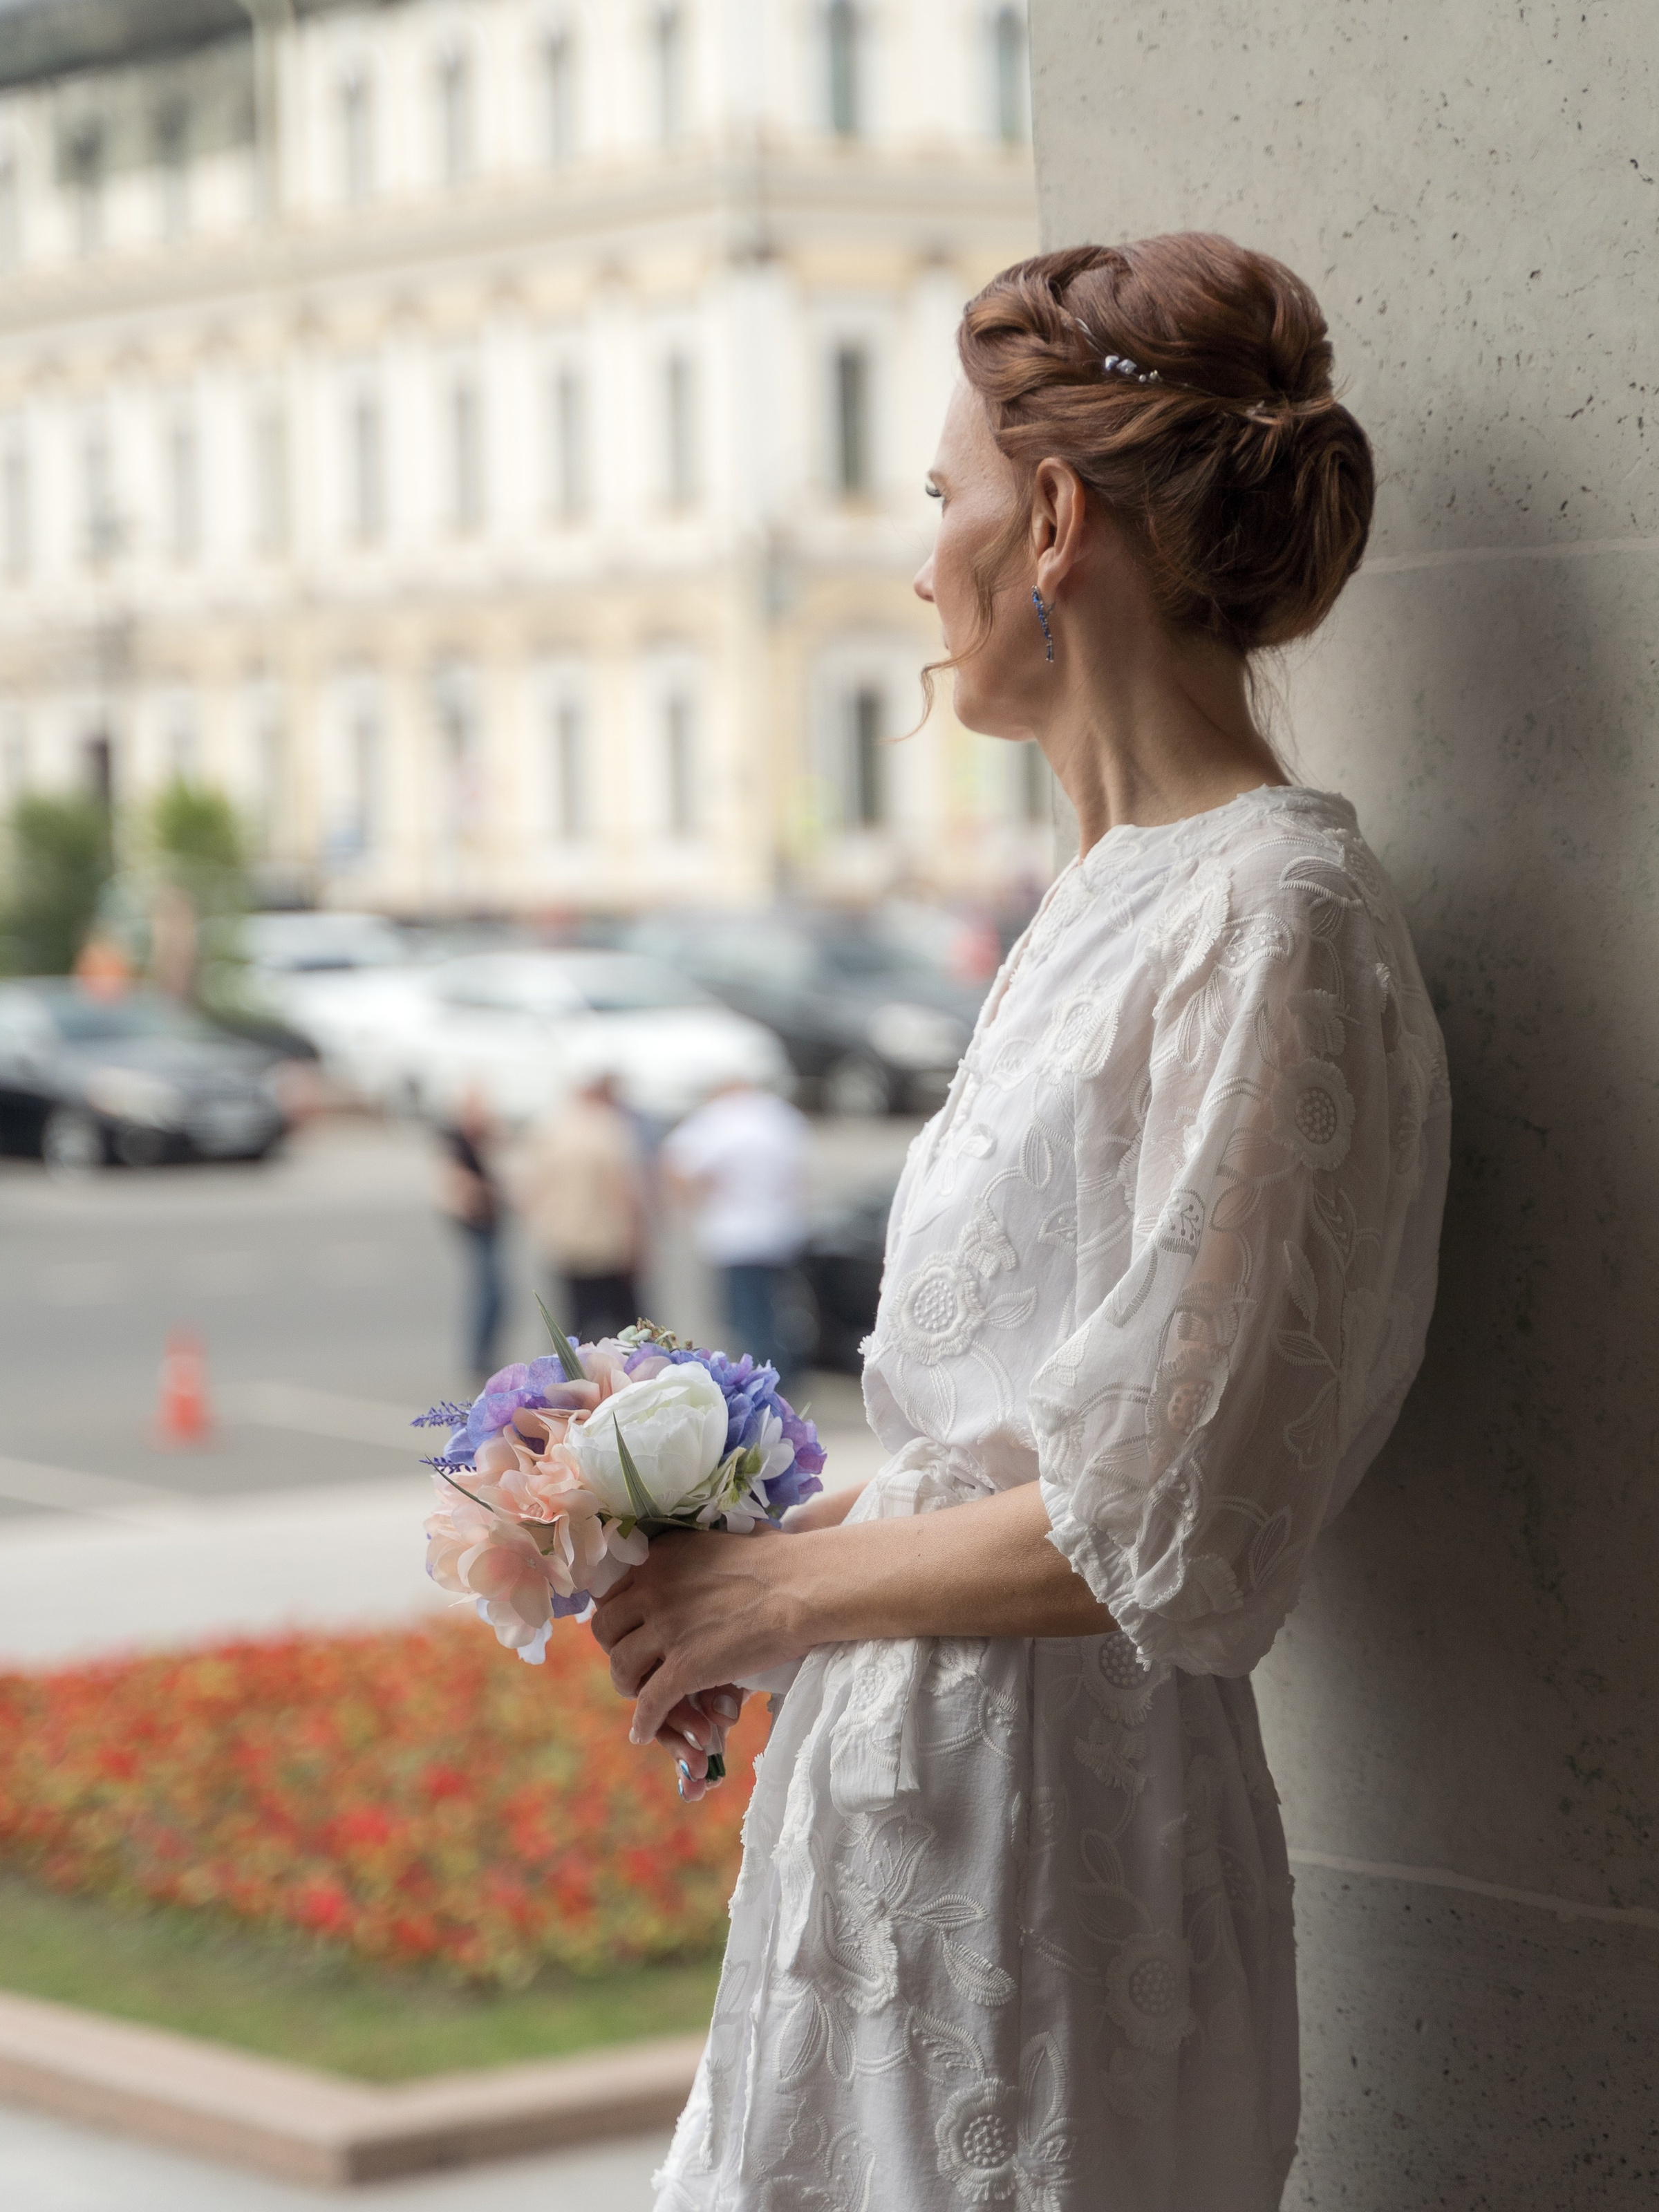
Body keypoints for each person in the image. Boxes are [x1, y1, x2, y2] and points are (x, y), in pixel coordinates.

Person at [594, 235, 1451, 2211]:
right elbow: (1052, 1432)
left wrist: (775, 1600)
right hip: (912, 1818)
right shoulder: (1110, 895)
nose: (923, 564)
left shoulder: (1270, 918)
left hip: (1064, 1867)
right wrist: (774, 1568)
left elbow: (1181, 1511)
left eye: (941, 500)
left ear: (1053, 518)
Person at [662, 1078, 812, 1388]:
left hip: (733, 1236)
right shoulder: (779, 1116)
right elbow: (800, 1172)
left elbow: (676, 1164)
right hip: (777, 1231)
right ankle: (784, 1377)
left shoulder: (717, 1119)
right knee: (776, 1312)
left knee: (745, 1320)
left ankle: (759, 1383)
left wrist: (694, 1204)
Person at [515, 1071, 647, 1342]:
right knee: (627, 1325)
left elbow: (530, 1189)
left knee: (575, 1322)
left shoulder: (551, 1127)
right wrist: (636, 1238)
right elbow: (625, 1189)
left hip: (566, 1239)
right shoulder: (611, 1127)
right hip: (608, 1240)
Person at [437, 1086, 504, 1382]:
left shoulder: (474, 1141)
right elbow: (454, 1184)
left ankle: (484, 1355)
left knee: (494, 1293)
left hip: (486, 1223)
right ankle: (478, 1358)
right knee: (488, 1292)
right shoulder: (457, 1141)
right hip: (476, 1224)